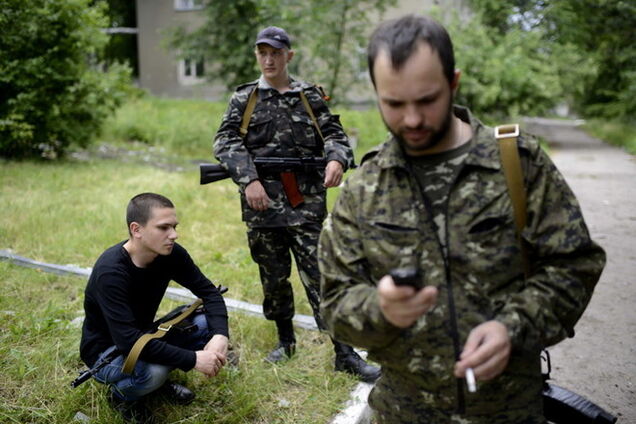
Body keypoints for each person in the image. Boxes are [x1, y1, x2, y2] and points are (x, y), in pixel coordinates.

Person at [318, 14, 606, 424]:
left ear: (453, 83)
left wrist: (514, 326)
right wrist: (379, 308)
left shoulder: (516, 163)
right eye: (394, 104)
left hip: (507, 410)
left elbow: (575, 265)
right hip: (401, 413)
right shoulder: (364, 188)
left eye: (427, 100)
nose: (412, 119)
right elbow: (334, 303)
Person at [213, 26, 379, 382]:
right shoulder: (245, 99)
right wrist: (250, 180)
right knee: (273, 278)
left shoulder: (309, 96)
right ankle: (285, 341)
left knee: (322, 276)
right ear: (258, 56)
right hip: (263, 207)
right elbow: (225, 141)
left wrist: (336, 158)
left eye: (275, 52)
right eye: (262, 53)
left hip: (306, 205)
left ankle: (344, 353)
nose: (269, 59)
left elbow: (335, 134)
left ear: (289, 55)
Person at [80, 193, 229, 423]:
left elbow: (209, 293)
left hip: (145, 335)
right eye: (163, 228)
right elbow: (128, 341)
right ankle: (121, 397)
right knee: (153, 373)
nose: (174, 234)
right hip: (107, 353)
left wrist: (221, 336)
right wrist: (193, 359)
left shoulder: (171, 253)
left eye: (174, 226)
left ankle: (158, 382)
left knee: (207, 322)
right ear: (136, 229)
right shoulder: (111, 272)